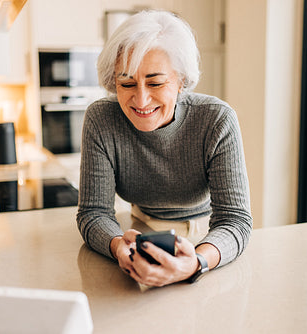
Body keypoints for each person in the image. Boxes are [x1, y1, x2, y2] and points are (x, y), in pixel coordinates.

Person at [77, 10, 252, 287]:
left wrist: (195, 262)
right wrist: (118, 246)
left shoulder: (217, 119)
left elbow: (235, 221)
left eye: (156, 82)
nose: (141, 99)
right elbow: (93, 213)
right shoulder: (102, 119)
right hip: (137, 231)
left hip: (209, 241)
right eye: (127, 83)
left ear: (181, 80)